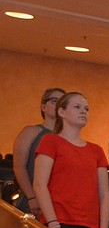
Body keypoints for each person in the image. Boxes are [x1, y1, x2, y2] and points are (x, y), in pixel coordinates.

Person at [33, 92, 109, 228]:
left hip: (89, 225)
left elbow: (104, 194)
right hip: (59, 220)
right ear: (61, 112)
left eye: (86, 109)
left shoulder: (96, 150)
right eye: (77, 107)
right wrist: (53, 225)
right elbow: (39, 184)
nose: (83, 111)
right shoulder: (50, 141)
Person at [12, 87, 64, 216]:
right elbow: (19, 167)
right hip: (32, 201)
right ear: (43, 107)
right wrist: (32, 197)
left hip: (59, 205)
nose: (58, 105)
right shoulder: (31, 131)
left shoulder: (67, 138)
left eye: (62, 102)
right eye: (54, 101)